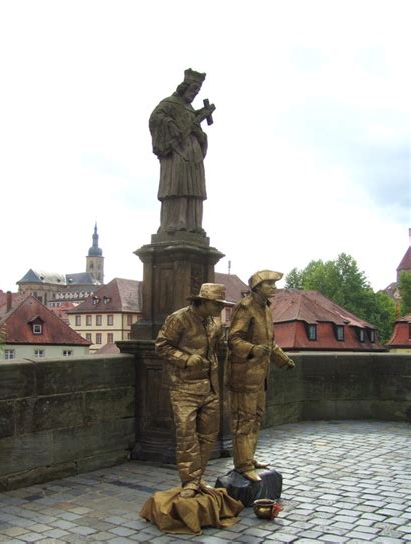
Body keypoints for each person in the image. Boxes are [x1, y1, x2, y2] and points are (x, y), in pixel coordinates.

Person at [155, 283, 233, 498]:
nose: (220, 308)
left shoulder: (215, 323)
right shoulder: (178, 318)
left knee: (209, 435)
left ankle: (197, 478)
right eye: (217, 304)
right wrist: (187, 359)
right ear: (204, 301)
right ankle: (189, 481)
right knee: (187, 436)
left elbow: (216, 349)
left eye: (221, 304)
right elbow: (162, 345)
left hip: (210, 387)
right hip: (183, 387)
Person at [227, 270, 295, 482]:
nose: (274, 287)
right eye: (269, 284)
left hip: (260, 375)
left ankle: (249, 457)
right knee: (243, 420)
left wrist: (282, 359)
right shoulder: (245, 307)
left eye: (274, 284)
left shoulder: (265, 309)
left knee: (256, 418)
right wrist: (253, 349)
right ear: (257, 287)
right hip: (244, 375)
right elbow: (233, 339)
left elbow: (269, 343)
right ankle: (243, 464)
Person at [149, 68, 215, 235]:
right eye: (193, 90)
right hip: (177, 152)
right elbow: (155, 119)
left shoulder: (191, 110)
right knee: (176, 186)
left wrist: (200, 134)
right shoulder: (170, 104)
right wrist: (170, 125)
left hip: (194, 155)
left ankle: (194, 225)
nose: (193, 94)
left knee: (195, 189)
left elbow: (198, 131)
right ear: (184, 87)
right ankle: (175, 223)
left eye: (197, 91)